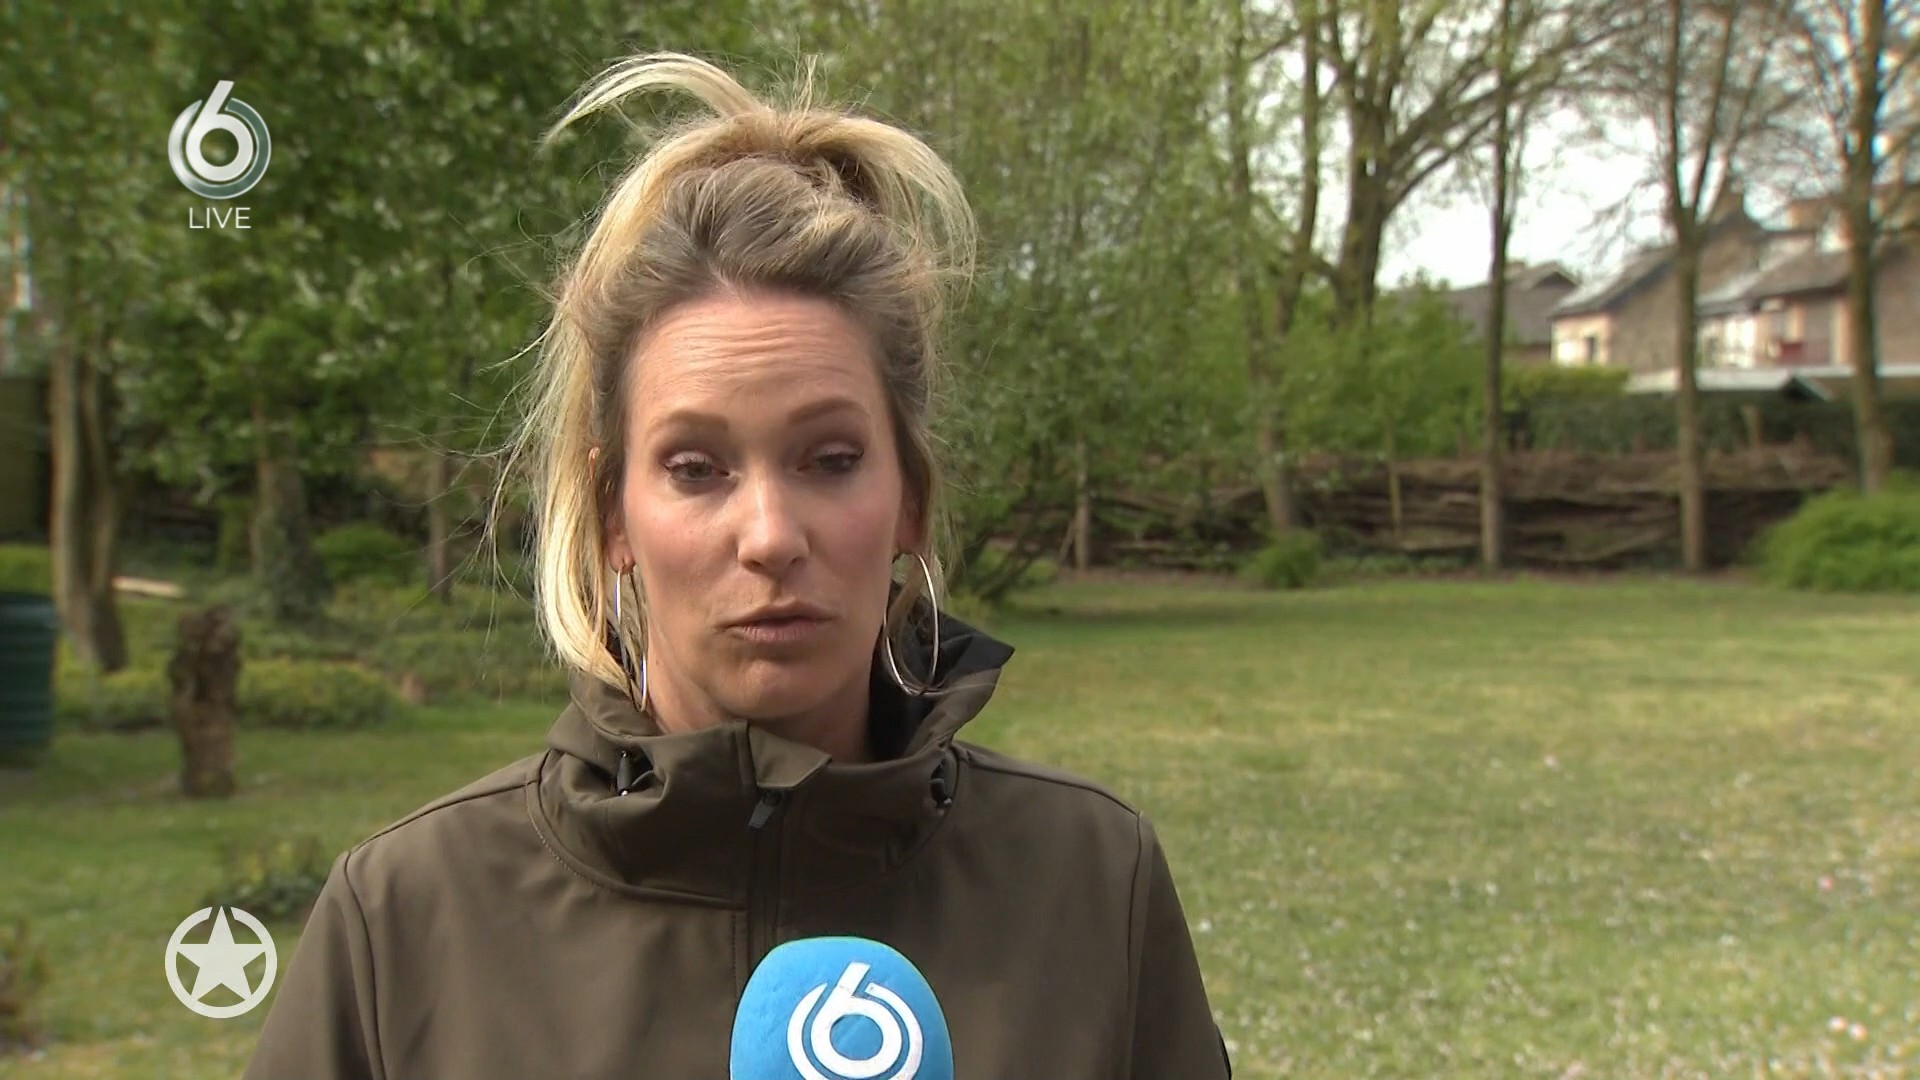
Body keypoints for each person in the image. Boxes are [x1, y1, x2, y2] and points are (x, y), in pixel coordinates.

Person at [242, 51, 1229, 1080]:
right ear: (613, 516)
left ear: (911, 501)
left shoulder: (1092, 882)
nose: (768, 535)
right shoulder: (403, 922)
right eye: (696, 468)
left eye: (830, 459)